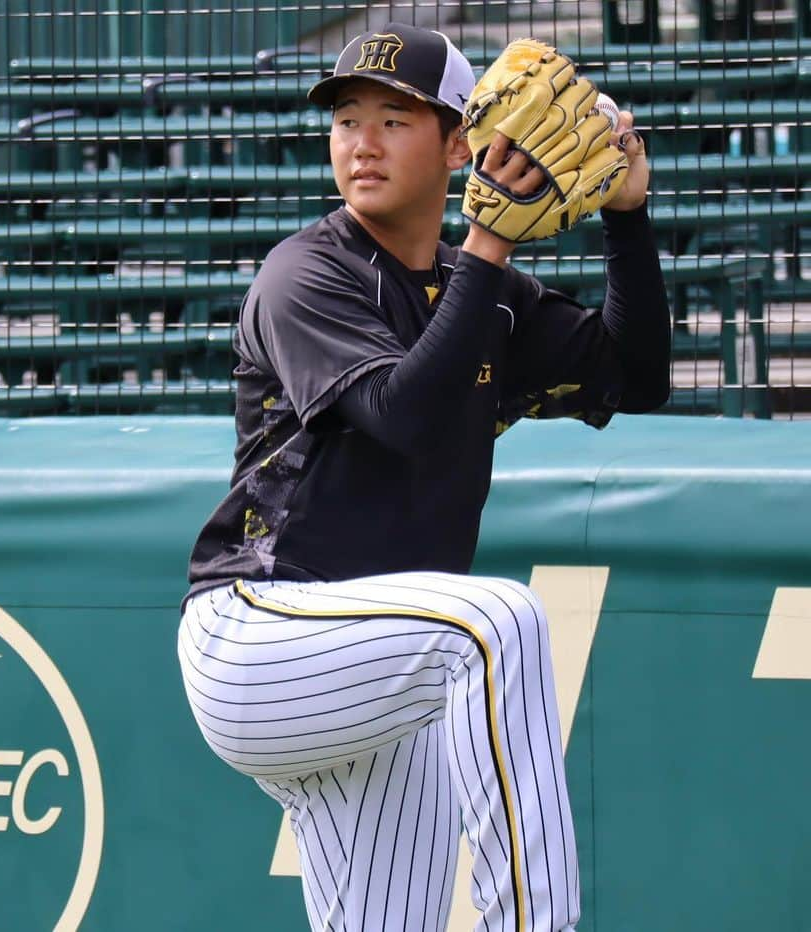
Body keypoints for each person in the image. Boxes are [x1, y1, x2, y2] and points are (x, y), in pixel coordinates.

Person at [178, 22, 669, 932]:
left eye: (395, 119)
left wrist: (626, 215)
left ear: (460, 144)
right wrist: (489, 242)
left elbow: (636, 377)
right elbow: (403, 416)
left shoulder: (482, 289)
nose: (361, 141)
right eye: (346, 118)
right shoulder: (306, 271)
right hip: (260, 638)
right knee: (497, 626)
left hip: (381, 672)